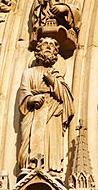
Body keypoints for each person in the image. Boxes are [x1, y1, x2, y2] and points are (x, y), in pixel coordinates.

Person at [18, 37, 74, 175]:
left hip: (53, 111)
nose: (48, 47)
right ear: (38, 50)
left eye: (52, 46)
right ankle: (30, 166)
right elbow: (23, 91)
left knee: (51, 137)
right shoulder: (29, 73)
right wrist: (31, 99)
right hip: (35, 112)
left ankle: (52, 167)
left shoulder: (56, 74)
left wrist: (53, 82)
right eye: (45, 45)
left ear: (56, 53)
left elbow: (66, 97)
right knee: (31, 139)